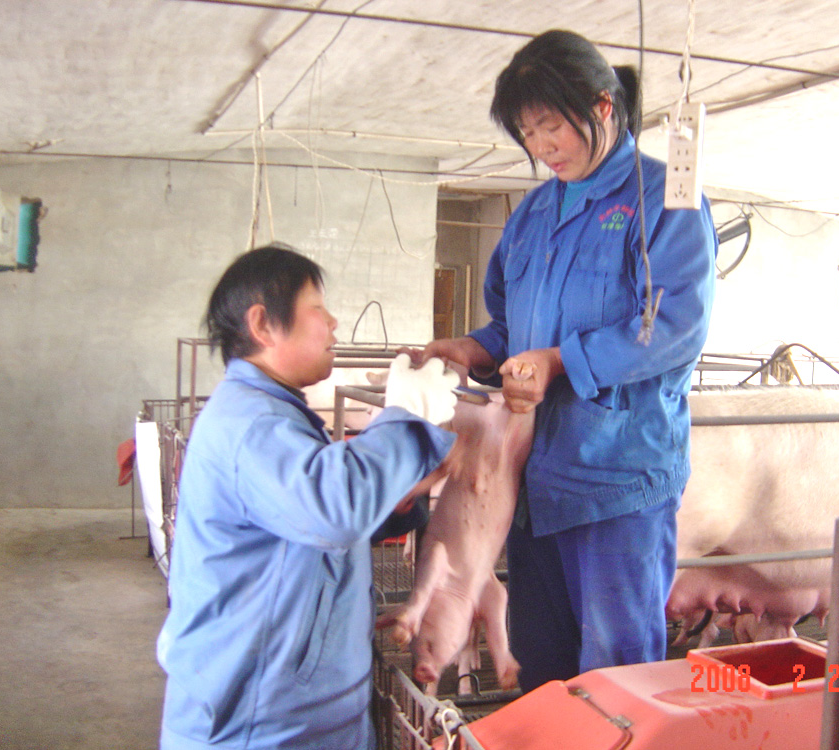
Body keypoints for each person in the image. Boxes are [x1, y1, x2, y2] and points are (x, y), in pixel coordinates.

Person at [418, 30, 718, 692]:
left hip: (616, 483)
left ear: (602, 106)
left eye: (551, 127)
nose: (542, 148)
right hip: (535, 484)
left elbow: (676, 327)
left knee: (618, 676)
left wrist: (559, 362)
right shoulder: (531, 213)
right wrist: (471, 349)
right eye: (528, 134)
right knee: (540, 668)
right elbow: (508, 325)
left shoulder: (665, 200)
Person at [157, 243, 458, 749]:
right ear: (263, 324)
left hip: (303, 715)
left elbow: (301, 528)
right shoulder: (250, 425)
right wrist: (406, 416)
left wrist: (394, 498)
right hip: (259, 725)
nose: (333, 322)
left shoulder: (273, 414)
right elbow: (333, 509)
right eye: (317, 308)